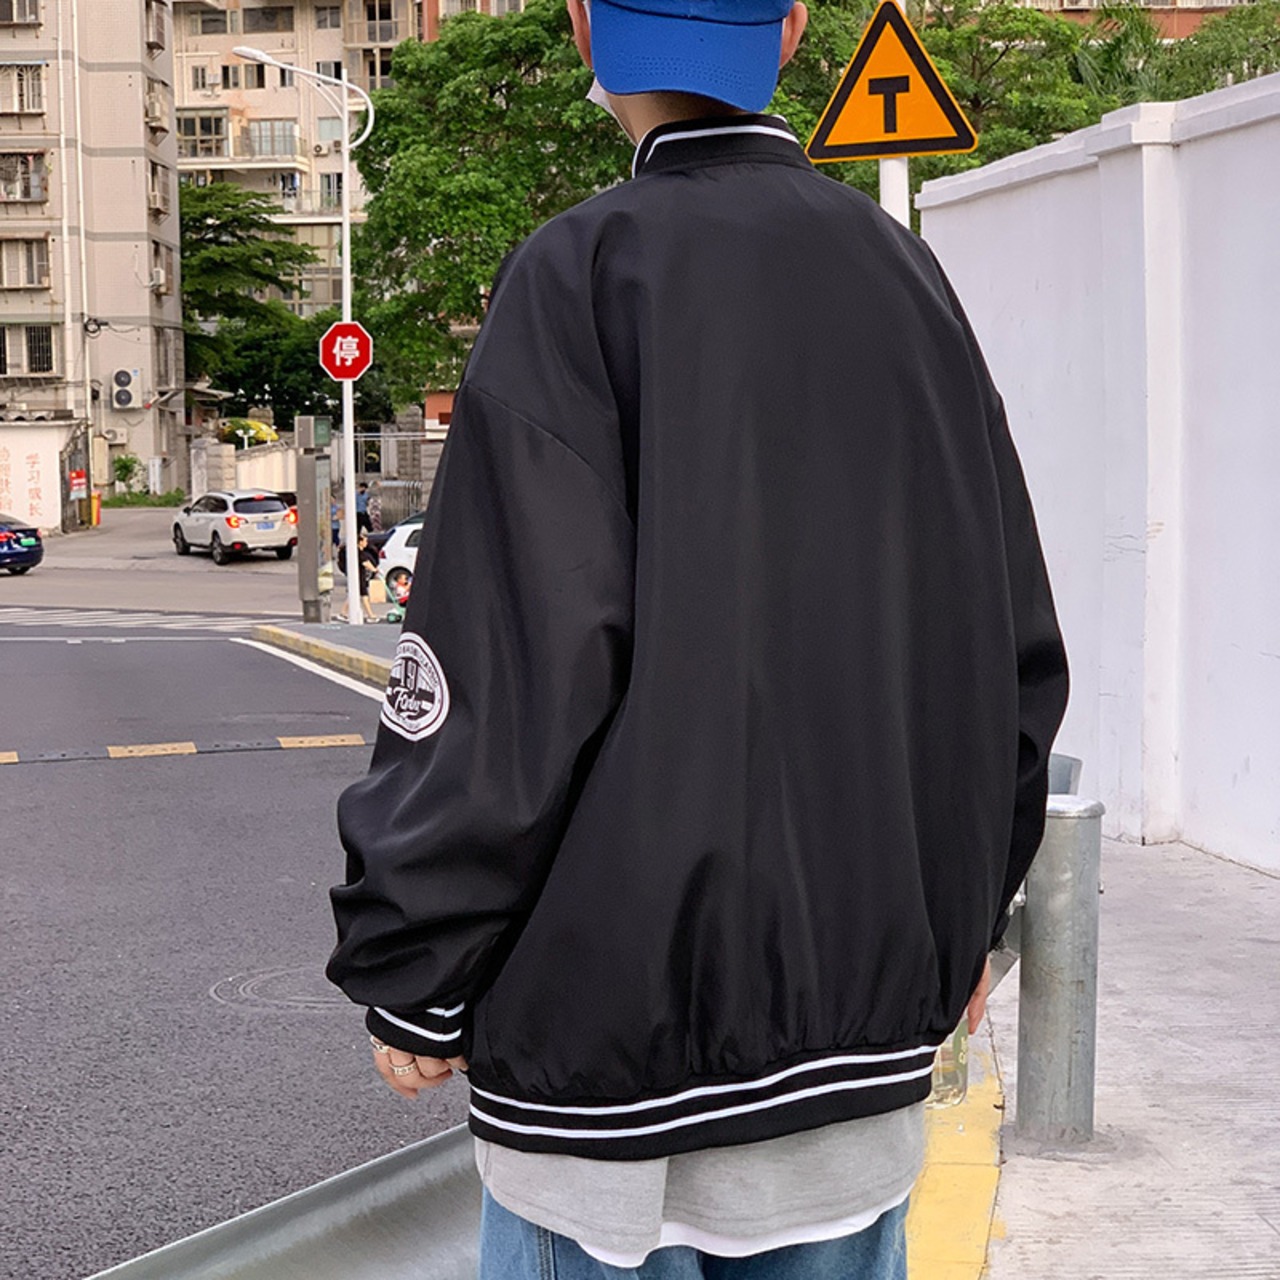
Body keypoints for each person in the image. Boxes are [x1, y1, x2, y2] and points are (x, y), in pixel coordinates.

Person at [326, 1, 1069, 1276]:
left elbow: (509, 670)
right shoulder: (905, 279)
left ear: (581, 29)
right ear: (787, 32)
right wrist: (961, 928)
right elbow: (1004, 651)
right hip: (857, 1066)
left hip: (613, 1090)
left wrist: (417, 964)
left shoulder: (578, 271)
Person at [356, 531, 379, 623]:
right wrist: (374, 570)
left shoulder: (361, 552)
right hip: (359, 577)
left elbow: (367, 561)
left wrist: (374, 568)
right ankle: (370, 615)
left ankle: (343, 613)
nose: (366, 543)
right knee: (364, 595)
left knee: (354, 595)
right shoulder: (358, 553)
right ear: (360, 542)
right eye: (365, 541)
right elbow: (365, 563)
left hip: (360, 576)